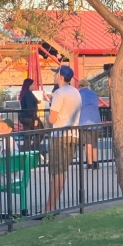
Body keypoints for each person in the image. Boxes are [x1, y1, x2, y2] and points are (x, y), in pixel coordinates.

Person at [44, 66, 81, 213]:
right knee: (62, 171)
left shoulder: (59, 93)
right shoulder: (76, 92)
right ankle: (51, 206)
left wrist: (51, 108)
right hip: (73, 135)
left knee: (56, 172)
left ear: (60, 76)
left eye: (55, 74)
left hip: (60, 136)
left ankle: (49, 208)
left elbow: (53, 118)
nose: (54, 76)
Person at [78, 80, 102, 170]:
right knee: (94, 143)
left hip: (84, 121)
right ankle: (96, 163)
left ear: (79, 86)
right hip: (96, 120)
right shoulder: (94, 93)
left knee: (88, 143)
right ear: (88, 85)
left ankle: (89, 163)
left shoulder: (79, 94)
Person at [18, 78, 41, 151]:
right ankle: (33, 148)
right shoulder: (28, 94)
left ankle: (26, 151)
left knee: (28, 135)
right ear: (29, 86)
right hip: (29, 117)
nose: (34, 86)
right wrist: (35, 119)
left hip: (23, 117)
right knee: (41, 132)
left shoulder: (24, 93)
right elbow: (30, 107)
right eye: (33, 84)